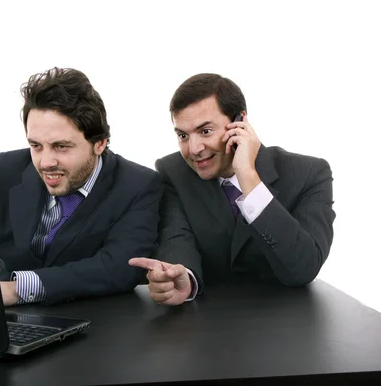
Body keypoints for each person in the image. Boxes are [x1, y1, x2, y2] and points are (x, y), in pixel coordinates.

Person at [0, 67, 162, 305]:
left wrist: (16, 290)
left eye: (61, 146)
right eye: (36, 146)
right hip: (4, 320)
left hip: (95, 324)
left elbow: (120, 267)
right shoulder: (1, 170)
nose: (45, 162)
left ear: (100, 143)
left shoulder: (139, 185)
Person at [130, 73, 335, 305]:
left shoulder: (309, 173)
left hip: (287, 322)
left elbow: (303, 268)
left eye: (205, 131)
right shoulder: (173, 171)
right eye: (183, 135)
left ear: (240, 122)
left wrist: (248, 175)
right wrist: (184, 276)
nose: (194, 149)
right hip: (206, 323)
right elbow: (177, 237)